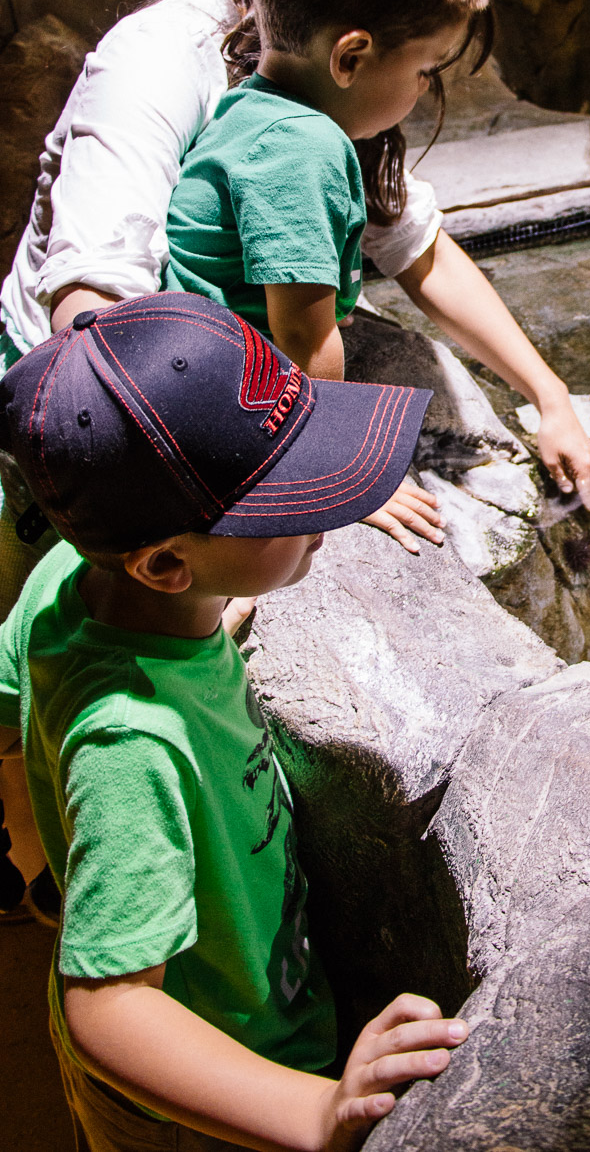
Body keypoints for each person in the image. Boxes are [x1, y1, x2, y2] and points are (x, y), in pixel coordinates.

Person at [0, 0, 590, 559]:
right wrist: (318, 471)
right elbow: (95, 321)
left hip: (210, 376)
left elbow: (411, 240)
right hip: (79, 422)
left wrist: (549, 395)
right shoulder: (154, 62)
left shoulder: (299, 63)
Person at [0, 292, 469, 1151]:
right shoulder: (130, 745)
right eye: (287, 500)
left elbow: (5, 702)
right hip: (208, 1098)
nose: (322, 511)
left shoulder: (67, 582)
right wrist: (313, 1112)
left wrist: (33, 853)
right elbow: (110, 1007)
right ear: (166, 563)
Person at [165, 0, 490, 385]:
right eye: (424, 69)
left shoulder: (249, 111)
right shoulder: (304, 147)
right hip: (216, 398)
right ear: (350, 59)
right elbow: (303, 337)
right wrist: (326, 454)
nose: (426, 85)